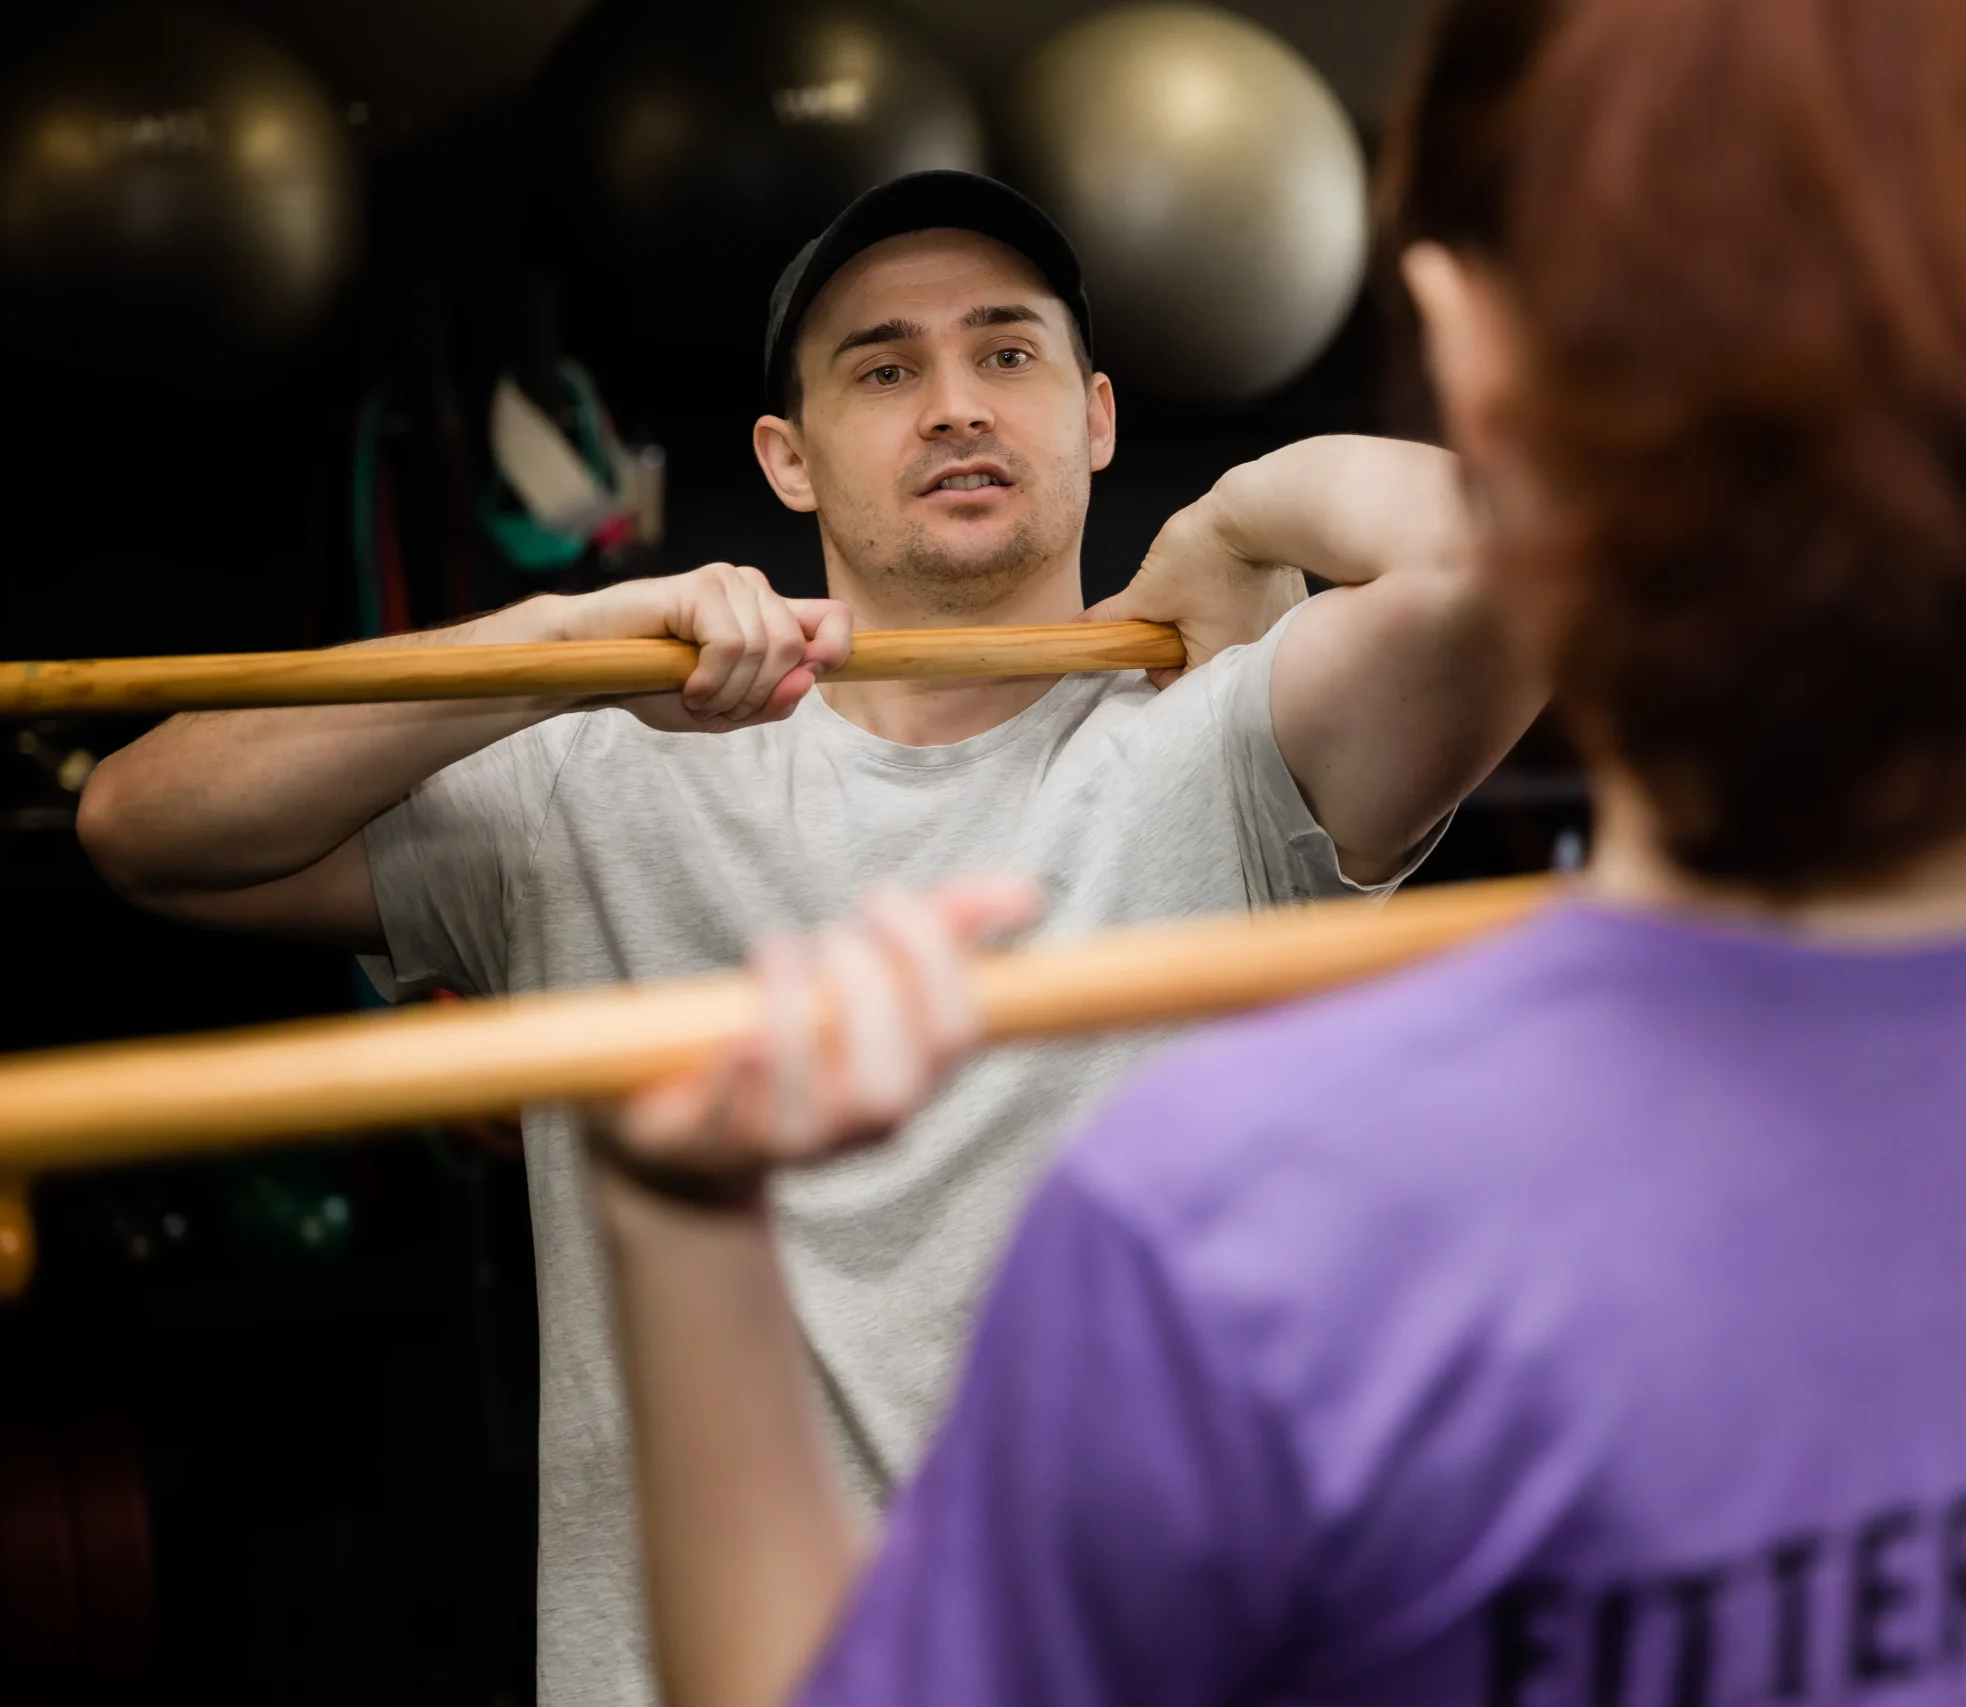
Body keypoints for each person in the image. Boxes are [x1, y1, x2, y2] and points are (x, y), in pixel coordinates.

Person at [583, 1, 1966, 1704]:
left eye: (1001, 358)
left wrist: (684, 1223)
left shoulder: (1238, 1217)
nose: (952, 408)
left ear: (1468, 361)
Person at [74, 172, 1541, 1705]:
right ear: (788, 457)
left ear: (1097, 417)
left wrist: (1237, 511)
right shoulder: (600, 766)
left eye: (1009, 352)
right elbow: (145, 827)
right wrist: (558, 643)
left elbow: (1526, 557)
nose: (957, 404)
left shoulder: (1222, 742)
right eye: (885, 368)